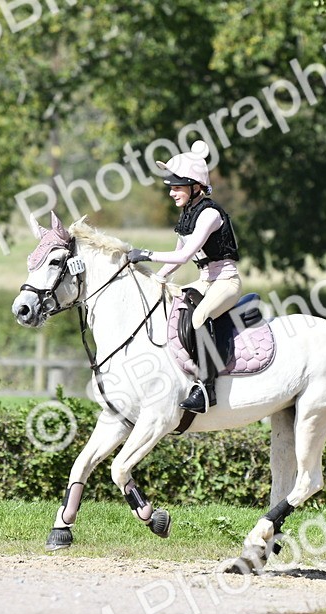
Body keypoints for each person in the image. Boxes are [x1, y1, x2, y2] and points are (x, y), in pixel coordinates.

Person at [127, 140, 241, 413]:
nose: (171, 192)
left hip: (226, 282)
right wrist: (155, 280)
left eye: (177, 187)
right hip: (204, 279)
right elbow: (175, 263)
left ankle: (206, 389)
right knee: (171, 306)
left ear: (196, 187)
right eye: (171, 187)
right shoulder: (187, 216)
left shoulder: (210, 214)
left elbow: (183, 255)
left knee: (200, 317)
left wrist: (146, 254)